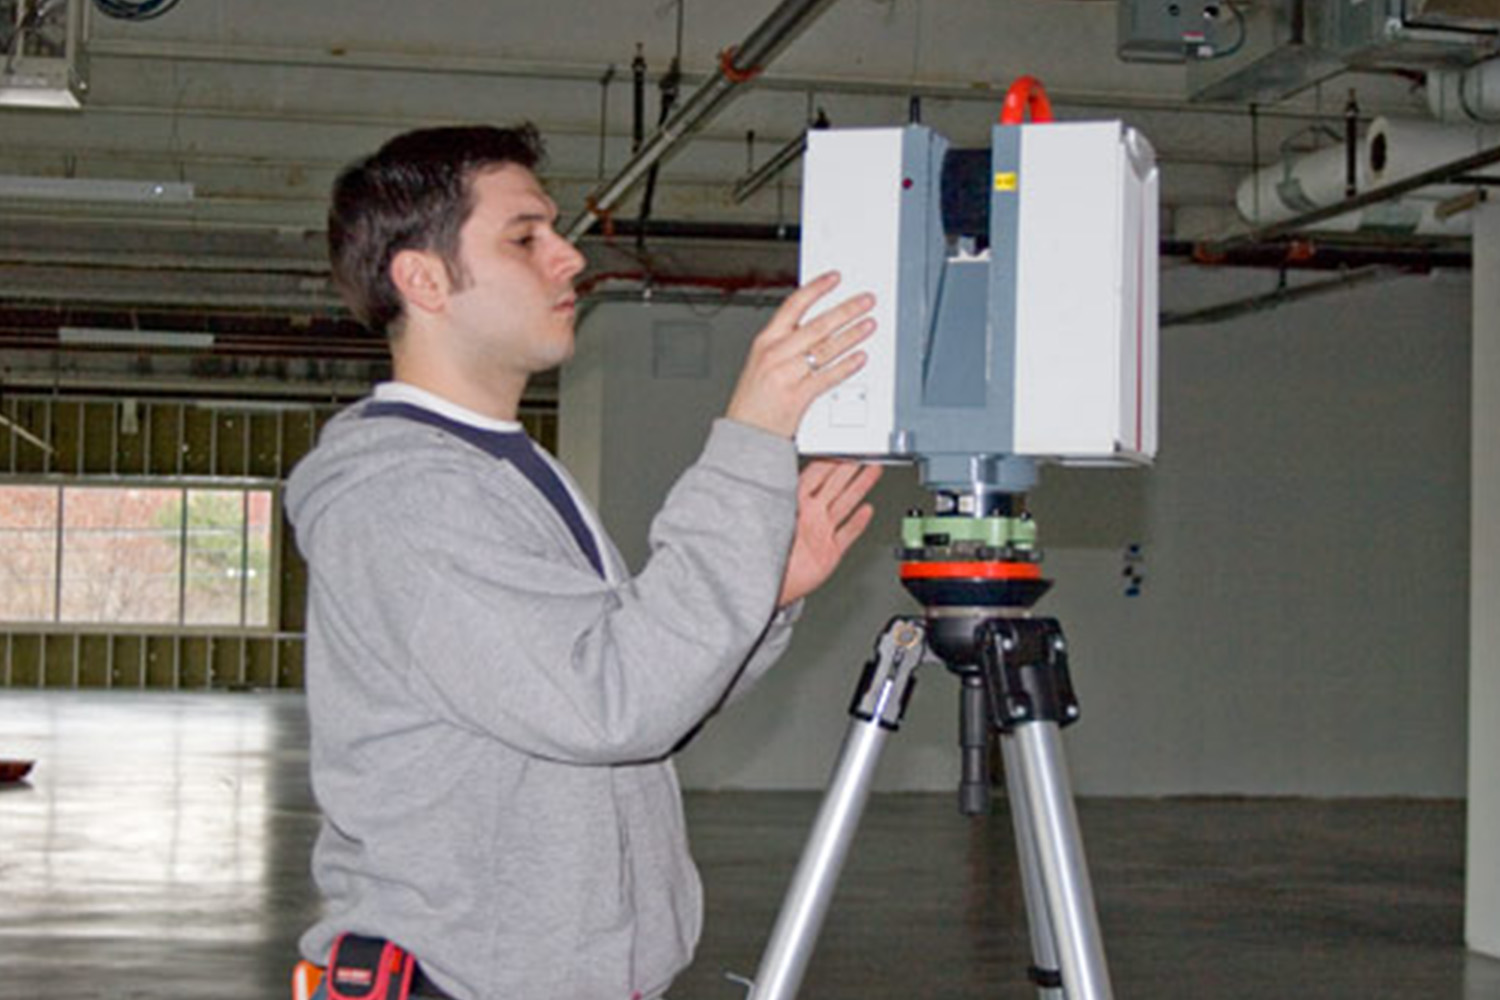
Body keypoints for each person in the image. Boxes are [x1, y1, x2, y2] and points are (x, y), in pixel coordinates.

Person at [285, 123, 882, 1000]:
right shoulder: (401, 497)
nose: (569, 258)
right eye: (525, 237)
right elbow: (615, 705)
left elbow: (640, 697)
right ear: (422, 278)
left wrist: (762, 594)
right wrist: (752, 433)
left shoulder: (501, 467)